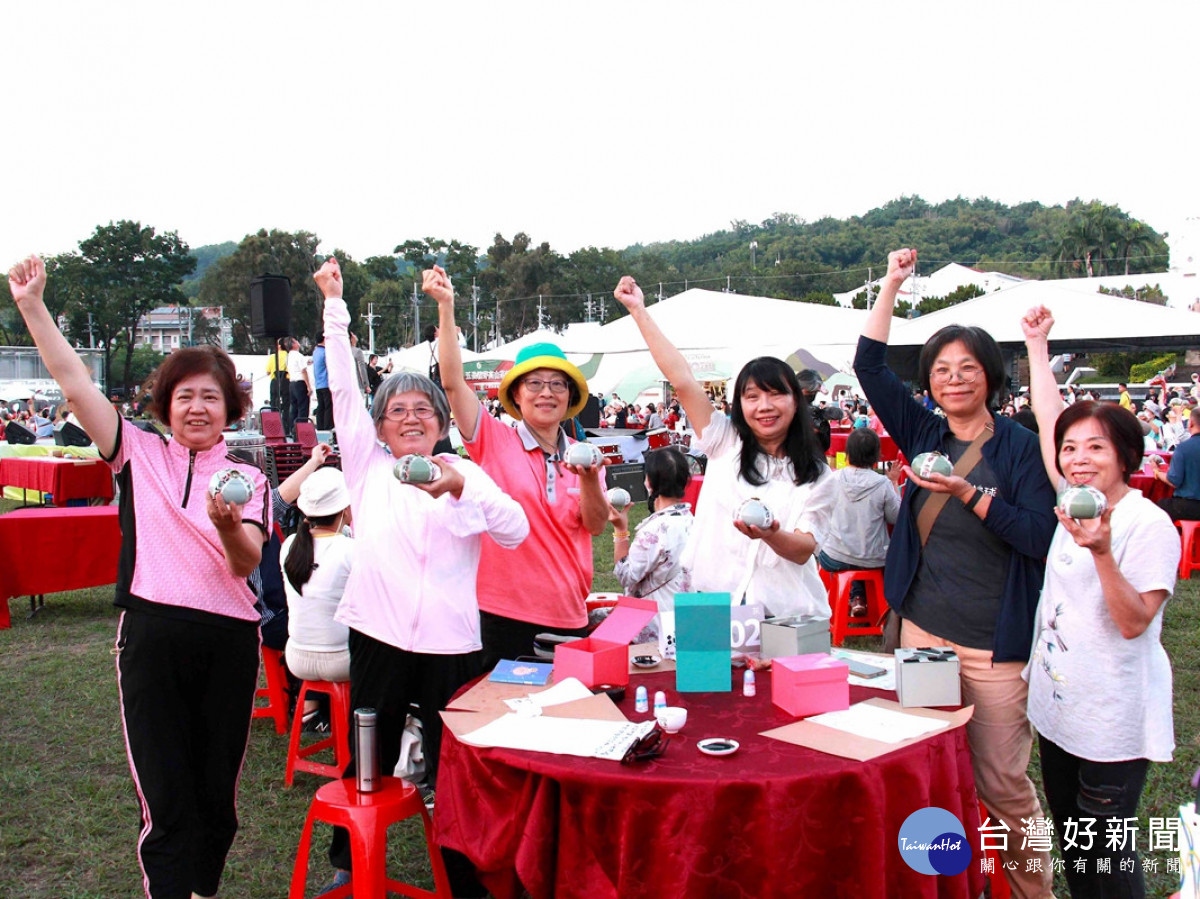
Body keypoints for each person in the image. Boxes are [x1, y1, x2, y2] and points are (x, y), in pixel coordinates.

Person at [9, 255, 268, 899]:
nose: (198, 407)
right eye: (186, 396)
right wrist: (33, 306)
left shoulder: (249, 480)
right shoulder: (136, 452)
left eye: (211, 396)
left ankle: (200, 889)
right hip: (152, 636)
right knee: (166, 793)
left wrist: (228, 524)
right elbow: (74, 386)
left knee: (217, 798)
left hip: (229, 641)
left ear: (230, 407)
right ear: (167, 406)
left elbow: (246, 563)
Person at [312, 258, 528, 893]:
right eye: (396, 411)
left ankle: (465, 871)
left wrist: (460, 489)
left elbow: (513, 530)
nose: (410, 418)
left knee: (454, 762)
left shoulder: (465, 473)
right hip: (377, 633)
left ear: (439, 422)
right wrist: (334, 304)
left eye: (423, 410)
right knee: (367, 749)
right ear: (379, 427)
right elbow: (344, 391)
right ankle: (349, 863)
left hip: (451, 642)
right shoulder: (368, 470)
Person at [855, 248, 1057, 898]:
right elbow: (868, 364)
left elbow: (1039, 535)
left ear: (990, 376)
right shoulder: (921, 427)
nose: (954, 378)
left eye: (967, 368)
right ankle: (947, 887)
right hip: (922, 635)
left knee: (1003, 786)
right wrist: (891, 282)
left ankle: (1032, 891)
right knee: (928, 774)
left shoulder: (1019, 448)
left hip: (995, 647)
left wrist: (969, 494)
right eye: (941, 369)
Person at [1022, 305, 1178, 898]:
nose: (1078, 458)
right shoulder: (1074, 500)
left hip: (1111, 718)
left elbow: (1135, 623)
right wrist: (1037, 344)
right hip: (1063, 709)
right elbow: (1047, 419)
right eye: (1071, 450)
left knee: (1105, 862)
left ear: (1126, 456)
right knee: (1074, 845)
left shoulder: (1147, 524)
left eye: (1096, 448)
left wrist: (1103, 554)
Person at [614, 276, 835, 623]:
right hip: (710, 606)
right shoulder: (725, 441)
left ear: (797, 401)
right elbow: (682, 379)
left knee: (782, 680)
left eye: (776, 394)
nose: (765, 406)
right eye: (752, 396)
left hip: (788, 616)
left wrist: (771, 534)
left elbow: (805, 549)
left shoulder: (817, 474)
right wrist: (638, 310)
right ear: (740, 405)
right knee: (704, 679)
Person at [427, 265, 608, 667]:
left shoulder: (584, 455)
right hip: (501, 614)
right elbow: (454, 383)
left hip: (568, 612)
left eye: (558, 384)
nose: (547, 393)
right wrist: (447, 307)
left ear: (570, 394)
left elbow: (595, 526)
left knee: (564, 717)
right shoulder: (494, 440)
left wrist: (592, 479)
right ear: (517, 394)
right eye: (535, 384)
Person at [281, 466, 353, 729]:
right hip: (341, 660)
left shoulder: (290, 546)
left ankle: (316, 713)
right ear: (345, 508)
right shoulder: (350, 550)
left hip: (297, 657)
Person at [817, 428, 901, 618]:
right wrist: (894, 482)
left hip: (834, 556)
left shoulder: (833, 478)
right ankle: (860, 599)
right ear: (876, 455)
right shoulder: (883, 484)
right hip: (873, 558)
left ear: (847, 454)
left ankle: (855, 598)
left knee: (849, 557)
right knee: (863, 559)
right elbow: (896, 517)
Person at [610, 446, 694, 606]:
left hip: (655, 619)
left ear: (649, 481)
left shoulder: (654, 531)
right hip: (685, 615)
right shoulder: (692, 521)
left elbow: (626, 576)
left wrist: (620, 530)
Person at [1152, 408, 1200, 520]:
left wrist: (1157, 472)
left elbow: (1174, 481)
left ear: (1191, 423)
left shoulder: (1183, 448)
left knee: (1158, 506)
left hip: (1189, 506)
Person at [286, 337, 311, 430]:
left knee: (294, 408)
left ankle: (293, 429)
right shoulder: (298, 355)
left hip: (292, 383)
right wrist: (308, 386)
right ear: (293, 344)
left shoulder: (288, 356)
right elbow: (303, 371)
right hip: (300, 382)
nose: (298, 342)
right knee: (303, 407)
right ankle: (302, 430)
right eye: (296, 341)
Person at [312, 335, 332, 430]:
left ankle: (320, 426)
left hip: (318, 383)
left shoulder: (315, 352)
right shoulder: (325, 352)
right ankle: (327, 426)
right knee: (328, 406)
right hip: (326, 382)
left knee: (321, 406)